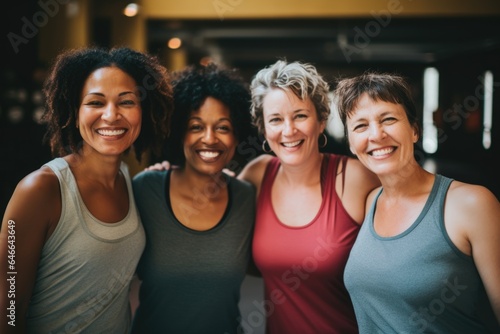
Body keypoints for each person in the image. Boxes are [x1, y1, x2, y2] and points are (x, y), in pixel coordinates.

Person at [0, 46, 173, 333]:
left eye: (126, 102)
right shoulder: (41, 189)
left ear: (144, 110)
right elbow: (9, 307)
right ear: (75, 110)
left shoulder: (129, 180)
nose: (111, 115)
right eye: (95, 103)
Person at [335, 72, 500, 333]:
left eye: (388, 119)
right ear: (352, 144)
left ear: (414, 129)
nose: (376, 135)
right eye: (360, 126)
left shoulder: (471, 204)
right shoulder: (369, 203)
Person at [237, 60, 380, 333]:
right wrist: (167, 175)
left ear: (321, 120)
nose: (289, 131)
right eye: (276, 120)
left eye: (300, 115)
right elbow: (208, 202)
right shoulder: (257, 174)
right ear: (264, 129)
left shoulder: (354, 177)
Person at [130, 63, 256, 333]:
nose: (209, 139)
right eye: (196, 126)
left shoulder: (246, 198)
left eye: (223, 128)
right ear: (179, 132)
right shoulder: (146, 190)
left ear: (237, 135)